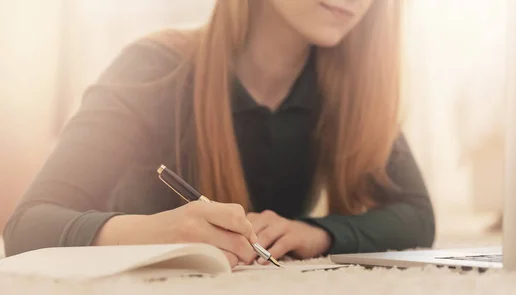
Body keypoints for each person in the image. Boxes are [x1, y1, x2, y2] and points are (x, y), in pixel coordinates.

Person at [3, 0, 435, 267]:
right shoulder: (152, 69)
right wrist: (158, 233)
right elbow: (26, 227)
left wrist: (318, 232)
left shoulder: (348, 88)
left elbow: (417, 216)